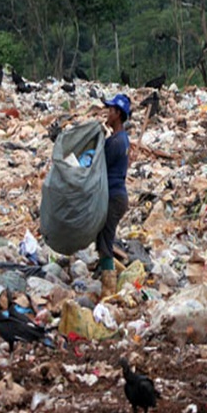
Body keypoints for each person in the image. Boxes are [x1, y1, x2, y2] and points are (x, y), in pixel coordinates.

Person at [96, 93, 131, 298]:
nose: (107, 113)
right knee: (103, 237)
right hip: (118, 197)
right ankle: (110, 274)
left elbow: (98, 165)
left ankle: (109, 291)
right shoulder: (122, 139)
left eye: (110, 110)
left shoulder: (115, 142)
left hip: (114, 197)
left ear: (118, 114)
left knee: (105, 241)